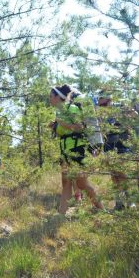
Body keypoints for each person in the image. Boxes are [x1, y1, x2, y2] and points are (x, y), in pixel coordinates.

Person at [49, 84, 104, 214]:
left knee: (82, 184)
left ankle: (103, 210)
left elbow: (79, 127)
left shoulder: (72, 108)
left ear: (58, 97)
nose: (49, 99)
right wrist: (55, 127)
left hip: (77, 149)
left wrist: (62, 124)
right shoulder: (60, 111)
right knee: (66, 183)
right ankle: (61, 215)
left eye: (51, 96)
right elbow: (66, 131)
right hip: (65, 150)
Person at [98, 93, 136, 210]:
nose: (102, 107)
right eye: (100, 105)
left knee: (123, 174)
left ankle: (130, 202)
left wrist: (127, 112)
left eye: (104, 104)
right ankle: (119, 203)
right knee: (114, 176)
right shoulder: (101, 114)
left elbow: (135, 115)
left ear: (111, 100)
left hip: (122, 145)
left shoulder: (120, 107)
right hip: (108, 146)